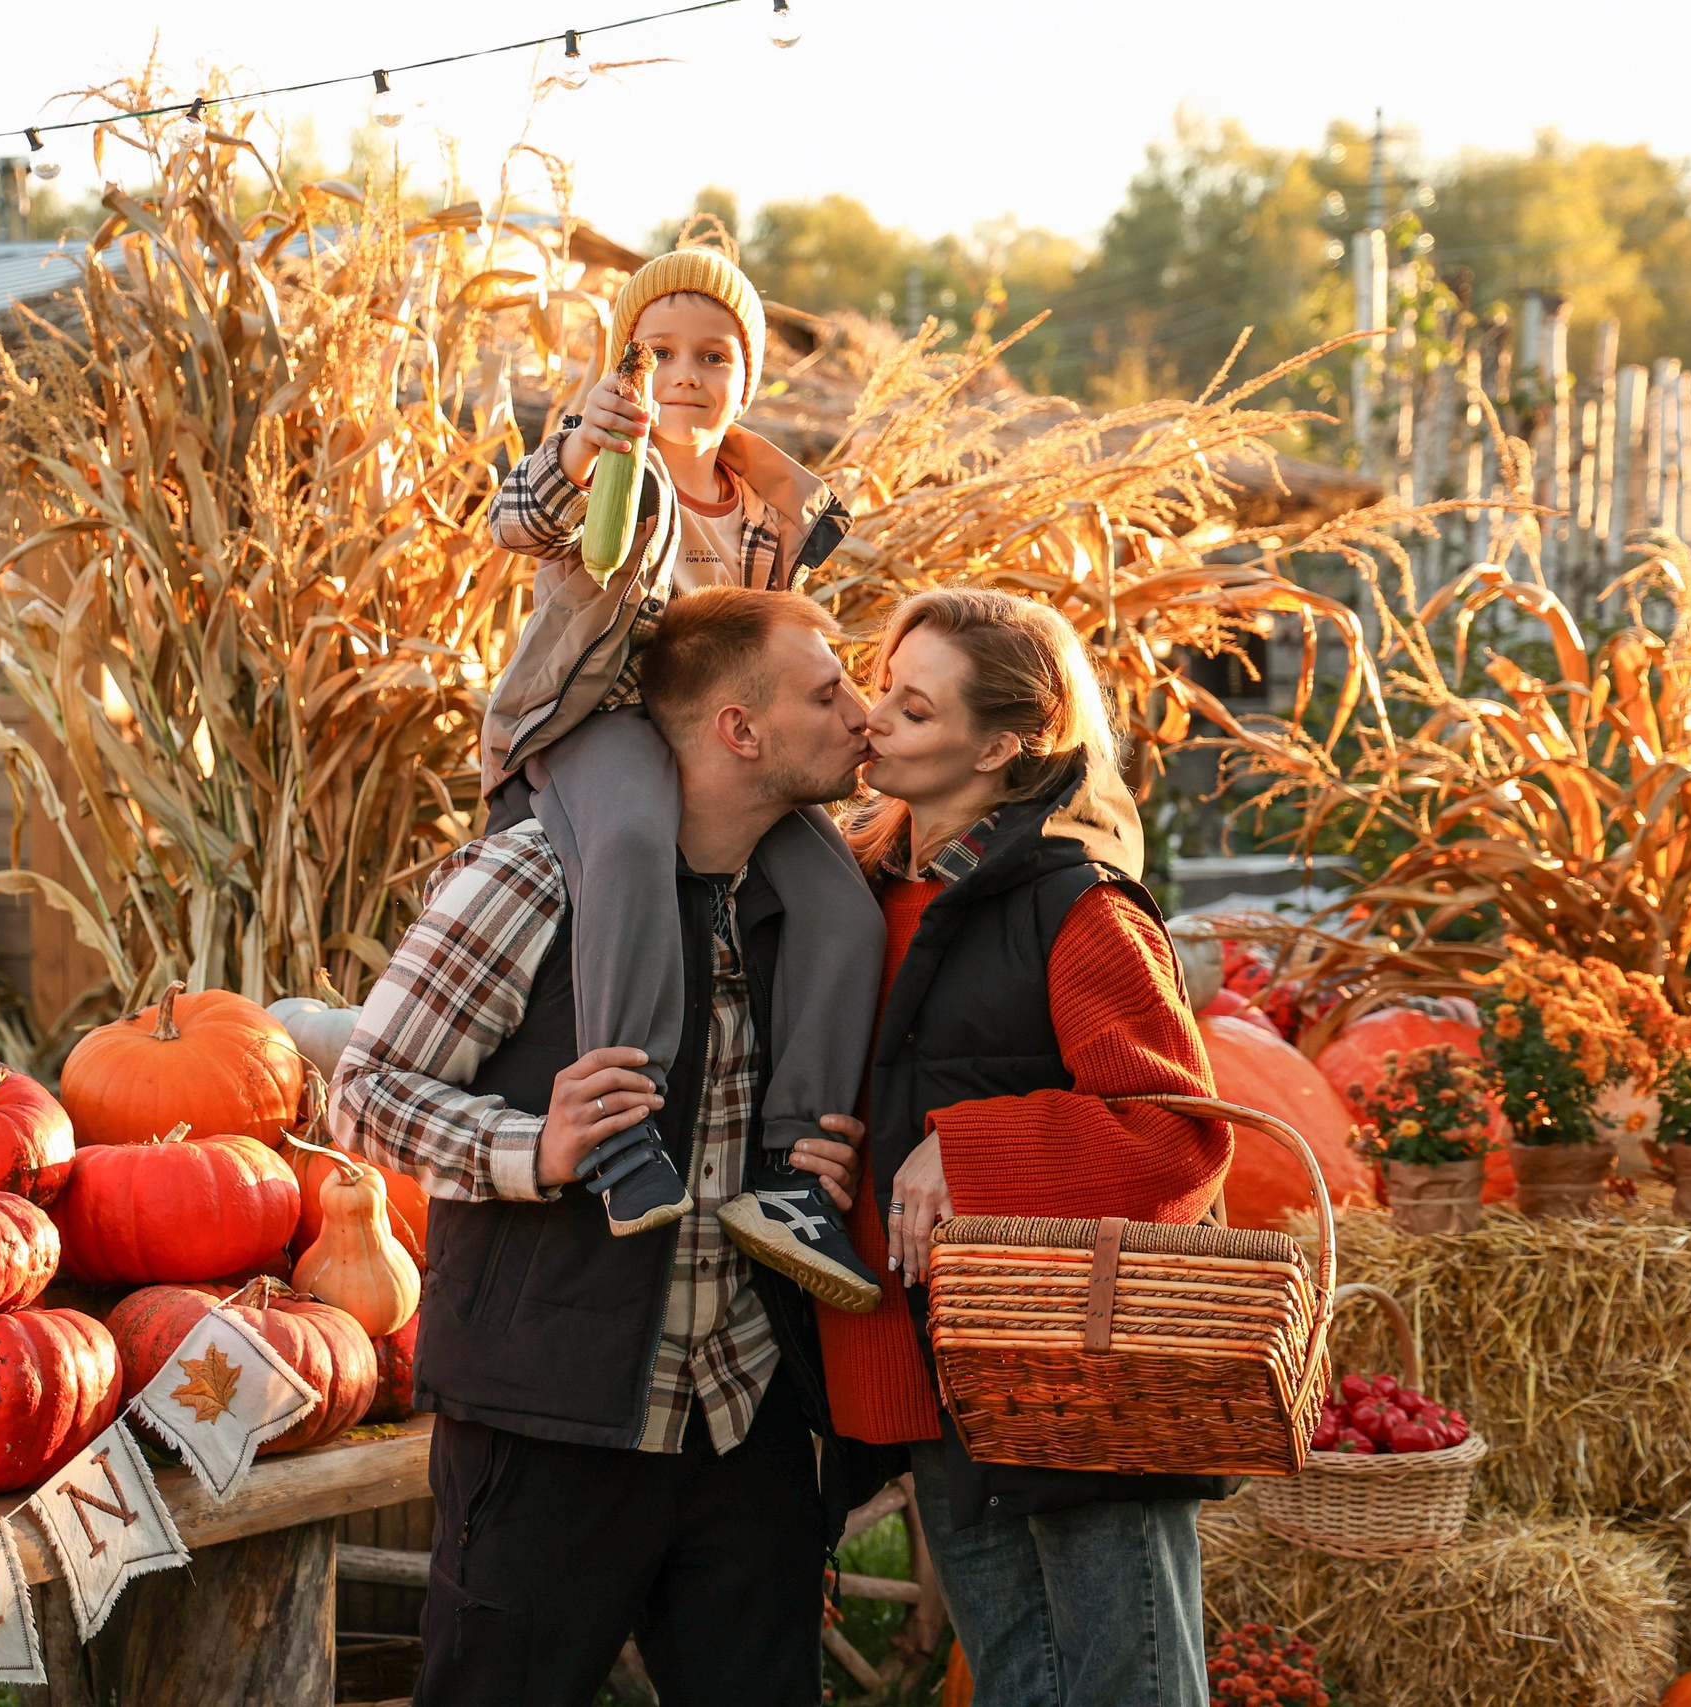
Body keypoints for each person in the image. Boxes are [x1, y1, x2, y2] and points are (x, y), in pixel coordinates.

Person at [334, 588, 883, 1707]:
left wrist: (840, 1165)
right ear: (740, 730)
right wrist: (535, 1148)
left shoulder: (805, 904)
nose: (862, 714)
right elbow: (361, 1094)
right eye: (828, 693)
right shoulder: (534, 877)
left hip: (743, 1415)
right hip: (553, 1422)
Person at [815, 587, 1236, 1707]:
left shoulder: (1075, 908)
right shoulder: (858, 886)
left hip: (1071, 1362)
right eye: (880, 687)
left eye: (913, 706)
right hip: (936, 1358)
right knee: (1015, 1682)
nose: (874, 718)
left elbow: (1179, 1139)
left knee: (1125, 1689)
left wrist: (971, 1149)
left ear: (1002, 746)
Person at [480, 246, 883, 1313]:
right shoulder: (610, 465)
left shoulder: (766, 504)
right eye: (659, 351)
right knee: (626, 845)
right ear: (625, 365)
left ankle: (792, 1170)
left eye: (713, 354)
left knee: (839, 903)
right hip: (598, 720)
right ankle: (620, 1134)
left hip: (721, 736)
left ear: (745, 375)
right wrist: (577, 450)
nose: (685, 374)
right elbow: (517, 521)